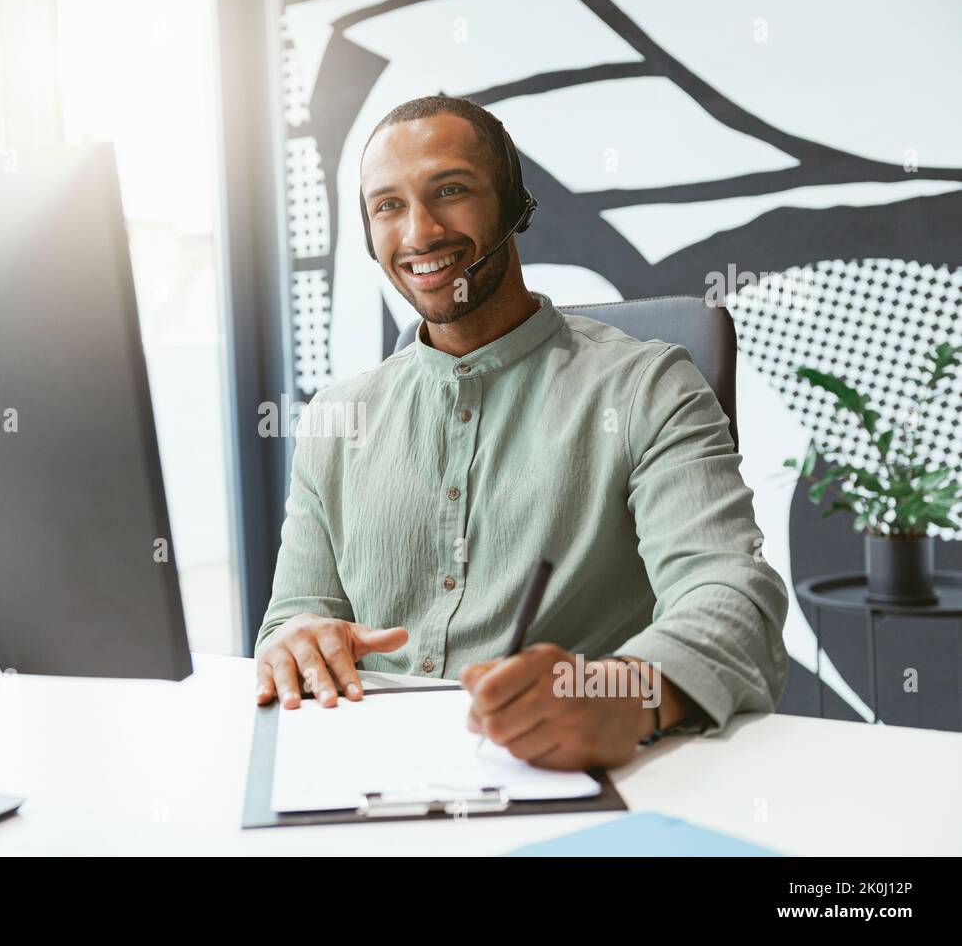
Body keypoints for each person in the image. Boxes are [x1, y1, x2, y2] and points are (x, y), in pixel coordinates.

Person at [253, 95, 788, 771]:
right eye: (387, 205)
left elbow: (732, 594)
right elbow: (293, 618)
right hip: (366, 779)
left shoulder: (647, 387)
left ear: (513, 205)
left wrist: (624, 692)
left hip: (573, 782)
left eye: (449, 190)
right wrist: (298, 640)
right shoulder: (334, 421)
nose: (418, 232)